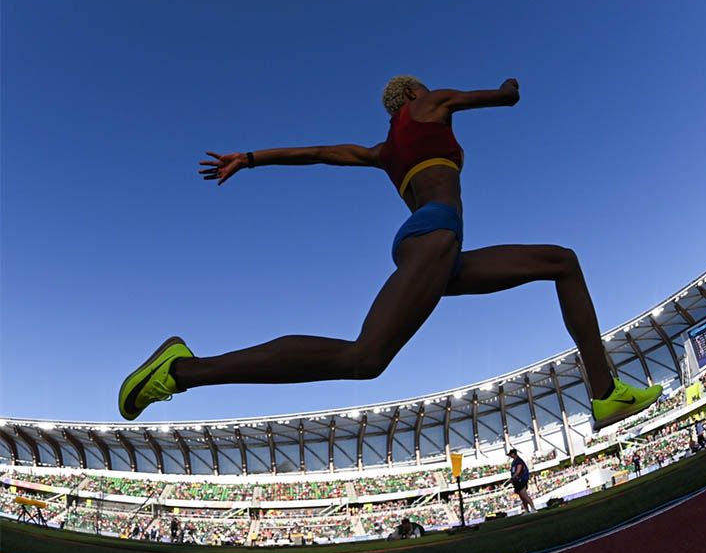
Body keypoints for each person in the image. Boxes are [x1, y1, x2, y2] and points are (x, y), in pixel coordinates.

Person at [117, 76, 662, 429]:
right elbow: (506, 96)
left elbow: (317, 153)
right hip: (436, 234)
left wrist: (253, 157)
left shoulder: (382, 151)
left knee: (560, 261)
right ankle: (183, 370)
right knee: (364, 358)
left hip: (437, 248)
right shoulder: (433, 103)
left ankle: (604, 391)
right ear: (415, 94)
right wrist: (509, 87)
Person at [508, 449, 535, 514]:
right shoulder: (514, 462)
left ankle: (533, 508)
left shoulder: (519, 461)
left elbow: (518, 471)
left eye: (511, 454)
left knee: (524, 495)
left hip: (521, 480)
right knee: (522, 497)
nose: (510, 456)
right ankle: (527, 510)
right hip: (517, 481)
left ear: (513, 454)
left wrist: (512, 477)